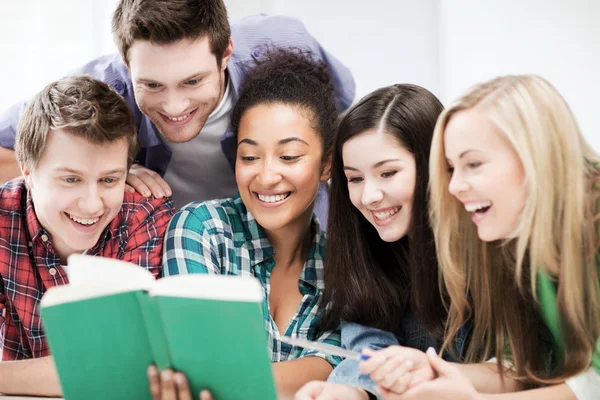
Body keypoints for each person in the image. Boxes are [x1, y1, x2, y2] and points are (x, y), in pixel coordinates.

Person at [0, 0, 355, 224]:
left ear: (225, 53)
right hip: (174, 255)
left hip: (298, 237)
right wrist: (103, 171)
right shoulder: (103, 89)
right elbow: (9, 151)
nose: (174, 107)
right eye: (152, 85)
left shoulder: (281, 44)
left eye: (192, 81)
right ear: (126, 62)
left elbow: (339, 117)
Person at [364, 75, 600, 399]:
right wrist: (433, 373)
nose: (454, 186)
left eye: (473, 164)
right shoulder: (515, 235)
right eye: (450, 168)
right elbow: (525, 364)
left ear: (536, 156)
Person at [155, 49, 340, 399]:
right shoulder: (201, 229)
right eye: (249, 157)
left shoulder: (340, 266)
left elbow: (334, 368)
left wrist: (231, 381)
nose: (266, 176)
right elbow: (198, 370)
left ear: (327, 164)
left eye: (289, 157)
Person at [0, 76, 173, 396]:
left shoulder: (144, 220)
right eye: (70, 179)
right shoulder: (3, 218)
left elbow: (117, 367)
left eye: (109, 180)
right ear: (28, 171)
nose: (92, 204)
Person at [295, 84, 467, 400]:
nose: (370, 197)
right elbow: (368, 351)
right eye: (355, 179)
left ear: (433, 164)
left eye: (387, 173)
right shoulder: (365, 253)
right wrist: (352, 393)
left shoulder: (485, 249)